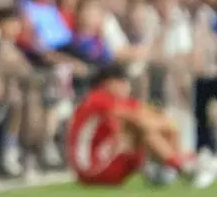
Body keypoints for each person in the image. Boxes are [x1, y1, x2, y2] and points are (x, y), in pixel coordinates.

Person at [66, 63, 211, 187]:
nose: (126, 86)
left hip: (106, 160)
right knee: (141, 129)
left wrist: (164, 126)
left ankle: (169, 167)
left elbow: (165, 122)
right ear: (108, 83)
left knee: (153, 127)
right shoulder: (98, 98)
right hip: (91, 168)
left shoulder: (119, 101)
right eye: (122, 81)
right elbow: (142, 122)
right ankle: (180, 167)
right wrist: (160, 126)